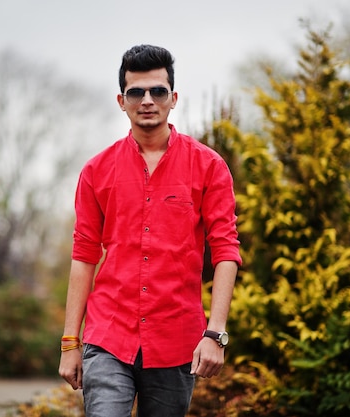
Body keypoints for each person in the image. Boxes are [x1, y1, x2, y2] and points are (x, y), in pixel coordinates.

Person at [58, 44, 242, 417]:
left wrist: (215, 333)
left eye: (157, 91)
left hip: (176, 339)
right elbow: (83, 256)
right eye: (136, 92)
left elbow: (225, 251)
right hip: (109, 334)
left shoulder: (209, 167)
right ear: (121, 101)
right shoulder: (96, 172)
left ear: (173, 98)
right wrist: (69, 343)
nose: (147, 100)